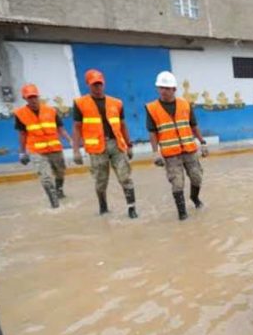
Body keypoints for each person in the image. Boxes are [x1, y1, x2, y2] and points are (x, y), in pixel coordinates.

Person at [72, 69, 138, 218]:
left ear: (104, 84)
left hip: (117, 145)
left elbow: (122, 125)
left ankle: (132, 209)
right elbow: (77, 128)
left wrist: (129, 145)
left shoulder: (116, 103)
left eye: (99, 84)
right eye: (94, 84)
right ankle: (103, 207)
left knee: (125, 177)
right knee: (100, 181)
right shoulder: (80, 103)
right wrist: (76, 150)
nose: (97, 87)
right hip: (96, 148)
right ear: (88, 85)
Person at [146, 71, 208, 221]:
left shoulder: (185, 104)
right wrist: (155, 152)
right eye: (161, 88)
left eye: (167, 88)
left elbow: (193, 125)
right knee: (177, 183)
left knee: (197, 178)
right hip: (170, 153)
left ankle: (195, 198)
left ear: (174, 89)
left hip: (189, 150)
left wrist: (202, 142)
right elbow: (152, 133)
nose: (163, 91)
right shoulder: (152, 108)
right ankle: (182, 214)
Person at [14, 84, 72, 208]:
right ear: (25, 98)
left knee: (60, 172)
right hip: (37, 151)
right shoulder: (20, 114)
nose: (33, 100)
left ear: (38, 97)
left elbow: (61, 129)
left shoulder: (51, 111)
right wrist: (22, 152)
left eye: (34, 97)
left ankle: (59, 191)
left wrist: (70, 141)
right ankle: (55, 205)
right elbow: (22, 134)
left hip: (55, 148)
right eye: (30, 97)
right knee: (45, 177)